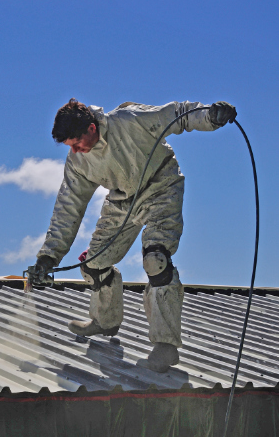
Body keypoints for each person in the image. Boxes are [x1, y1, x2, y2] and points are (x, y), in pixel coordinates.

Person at [34, 99, 236, 372]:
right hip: (123, 202)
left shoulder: (129, 120)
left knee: (156, 260)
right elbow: (67, 209)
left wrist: (211, 116)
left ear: (92, 128)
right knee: (93, 264)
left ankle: (165, 345)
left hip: (161, 187)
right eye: (70, 146)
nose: (75, 150)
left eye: (76, 143)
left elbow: (178, 114)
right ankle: (104, 320)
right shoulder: (78, 161)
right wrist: (48, 257)